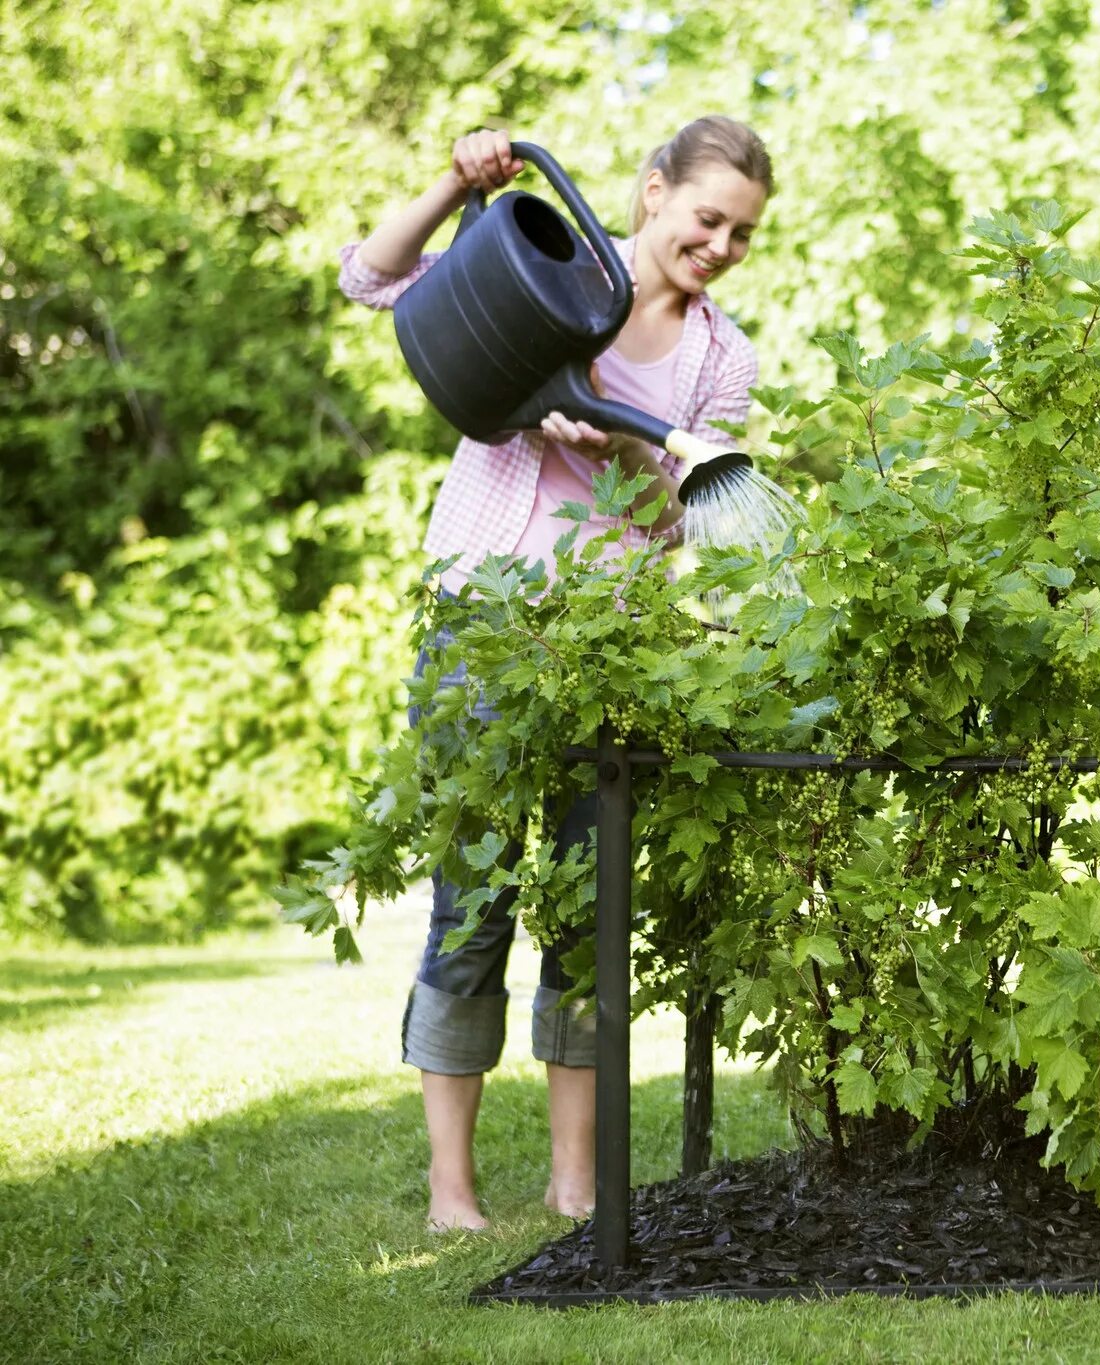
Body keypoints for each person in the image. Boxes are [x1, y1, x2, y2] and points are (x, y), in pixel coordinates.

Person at [336, 119, 773, 1230]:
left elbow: (683, 525)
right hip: (479, 626)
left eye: (741, 233)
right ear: (651, 190)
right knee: (472, 901)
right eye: (705, 217)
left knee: (587, 914)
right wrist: (455, 181)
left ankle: (576, 1184)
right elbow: (369, 278)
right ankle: (452, 1195)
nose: (718, 245)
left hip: (605, 644)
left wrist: (619, 441)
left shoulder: (724, 360)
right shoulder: (548, 268)